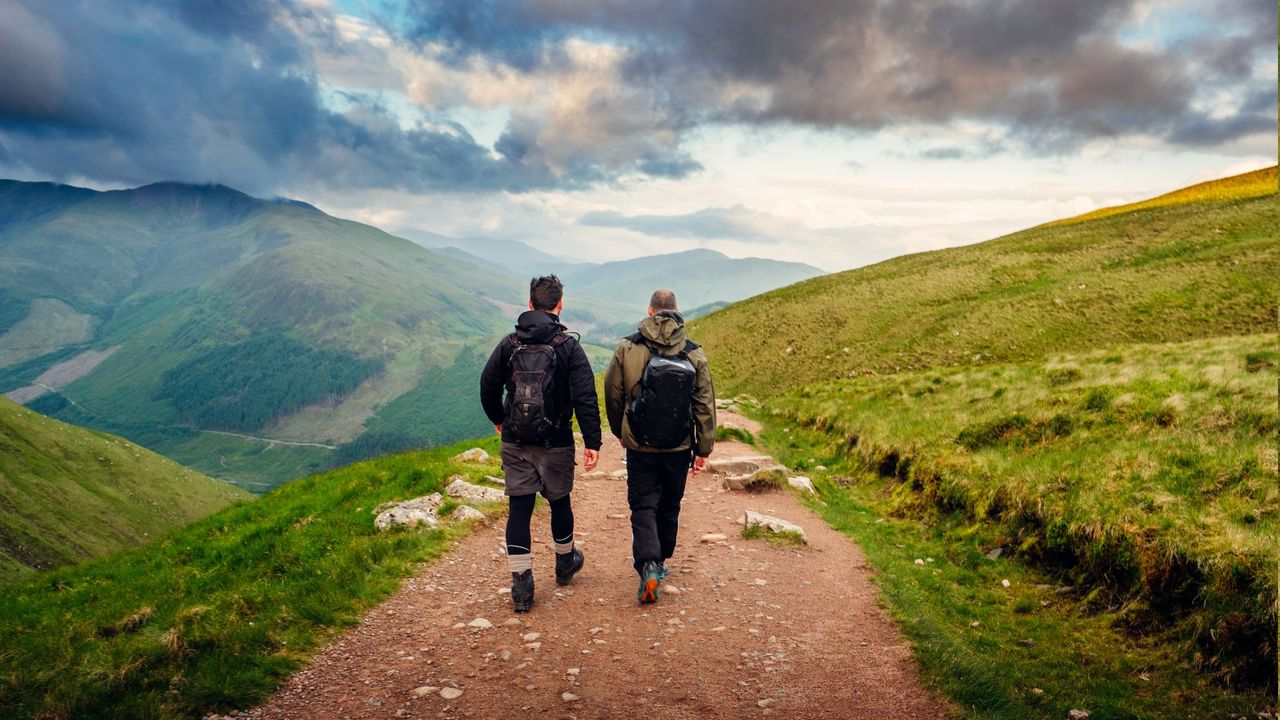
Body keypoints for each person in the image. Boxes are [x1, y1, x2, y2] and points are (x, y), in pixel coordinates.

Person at [480, 275, 601, 613]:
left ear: (530, 303)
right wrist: (593, 441)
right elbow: (586, 396)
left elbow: (488, 384)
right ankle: (565, 563)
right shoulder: (569, 346)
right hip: (557, 439)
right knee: (559, 502)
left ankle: (522, 586)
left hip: (515, 439)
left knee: (520, 507)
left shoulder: (509, 343)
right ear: (559, 305)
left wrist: (499, 419)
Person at [604, 288, 716, 604]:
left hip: (639, 445)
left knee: (642, 505)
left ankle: (649, 564)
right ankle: (661, 560)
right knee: (670, 504)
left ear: (649, 311)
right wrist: (703, 449)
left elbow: (613, 393)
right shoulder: (694, 353)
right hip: (679, 447)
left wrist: (621, 430)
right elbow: (704, 404)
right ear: (677, 311)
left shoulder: (627, 347)